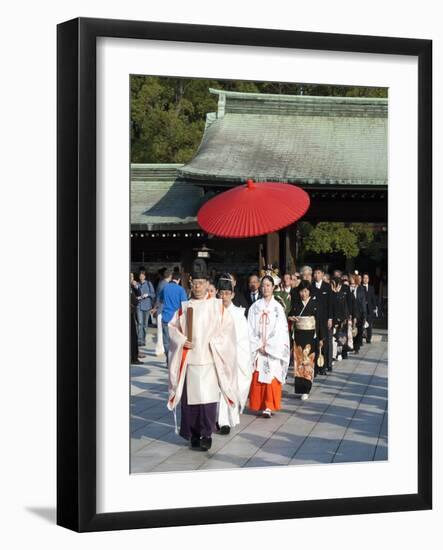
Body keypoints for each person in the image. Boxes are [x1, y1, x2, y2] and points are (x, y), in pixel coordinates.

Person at [167, 266, 238, 451]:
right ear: (190, 283)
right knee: (190, 402)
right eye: (195, 283)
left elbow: (227, 331)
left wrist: (215, 343)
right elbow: (172, 328)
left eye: (201, 283)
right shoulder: (185, 308)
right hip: (190, 360)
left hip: (209, 359)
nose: (198, 287)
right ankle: (193, 434)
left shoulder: (217, 307)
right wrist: (182, 340)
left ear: (208, 284)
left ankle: (206, 434)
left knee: (207, 401)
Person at [247, 275, 290, 418]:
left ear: (273, 287)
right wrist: (258, 344)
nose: (265, 288)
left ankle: (269, 406)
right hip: (258, 348)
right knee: (258, 375)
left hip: (273, 350)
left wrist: (269, 345)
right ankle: (259, 404)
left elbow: (281, 330)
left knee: (272, 376)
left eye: (268, 285)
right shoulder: (255, 307)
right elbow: (250, 328)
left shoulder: (278, 308)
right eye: (263, 285)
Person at [216, 275, 252, 435]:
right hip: (217, 356)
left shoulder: (238, 314)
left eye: (227, 293)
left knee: (231, 389)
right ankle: (221, 420)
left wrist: (239, 357)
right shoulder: (213, 312)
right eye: (221, 293)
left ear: (232, 294)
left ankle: (227, 419)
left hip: (233, 358)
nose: (224, 297)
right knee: (218, 390)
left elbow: (244, 339)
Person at [289, 281, 319, 400]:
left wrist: (321, 337)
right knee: (298, 361)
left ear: (309, 292)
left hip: (310, 335)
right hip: (299, 334)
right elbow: (290, 314)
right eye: (301, 291)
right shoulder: (296, 303)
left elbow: (319, 320)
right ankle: (300, 388)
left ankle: (307, 388)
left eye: (306, 291)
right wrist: (291, 317)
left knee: (308, 361)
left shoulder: (314, 303)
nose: (303, 294)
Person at [158, 271, 188, 366]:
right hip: (176, 319)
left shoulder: (165, 288)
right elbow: (185, 304)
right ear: (178, 280)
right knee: (176, 340)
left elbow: (161, 299)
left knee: (166, 340)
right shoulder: (180, 289)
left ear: (172, 278)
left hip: (166, 316)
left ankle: (168, 359)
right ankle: (175, 360)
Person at [310, 266, 333, 373]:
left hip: (324, 319)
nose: (316, 275)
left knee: (324, 342)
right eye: (315, 273)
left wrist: (330, 318)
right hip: (314, 319)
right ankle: (315, 367)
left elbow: (330, 304)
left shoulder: (327, 287)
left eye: (318, 273)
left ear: (322, 274)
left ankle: (323, 366)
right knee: (315, 342)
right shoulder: (311, 287)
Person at [330, 276, 351, 361]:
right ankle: (333, 354)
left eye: (334, 284)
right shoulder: (330, 294)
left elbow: (345, 307)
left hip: (341, 319)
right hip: (332, 318)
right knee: (333, 338)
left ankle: (339, 353)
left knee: (340, 337)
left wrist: (345, 318)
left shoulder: (342, 295)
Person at [152, 268, 171, 356]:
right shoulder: (166, 285)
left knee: (160, 330)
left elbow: (157, 298)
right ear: (170, 276)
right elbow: (161, 299)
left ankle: (160, 348)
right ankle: (159, 349)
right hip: (162, 309)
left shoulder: (161, 283)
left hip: (160, 308)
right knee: (161, 331)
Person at [135, 271, 156, 347]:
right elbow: (134, 294)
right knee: (140, 323)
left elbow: (153, 295)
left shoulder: (148, 284)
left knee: (145, 325)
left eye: (142, 275)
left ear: (145, 276)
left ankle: (143, 340)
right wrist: (136, 297)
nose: (141, 277)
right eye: (140, 275)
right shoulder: (136, 284)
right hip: (139, 306)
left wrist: (148, 295)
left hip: (147, 306)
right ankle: (139, 340)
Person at [349, 274, 367, 354]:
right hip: (349, 312)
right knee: (350, 330)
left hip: (359, 312)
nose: (351, 280)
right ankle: (350, 346)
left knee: (358, 330)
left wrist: (364, 314)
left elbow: (363, 302)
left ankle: (356, 347)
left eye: (352, 278)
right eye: (350, 279)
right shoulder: (347, 288)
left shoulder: (360, 289)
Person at [362, 273, 378, 343]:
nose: (365, 279)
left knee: (370, 325)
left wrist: (374, 308)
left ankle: (368, 339)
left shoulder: (371, 288)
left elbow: (373, 298)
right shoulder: (360, 287)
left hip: (370, 309)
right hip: (362, 309)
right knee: (362, 324)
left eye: (366, 278)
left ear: (368, 279)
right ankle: (361, 337)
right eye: (364, 278)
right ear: (362, 279)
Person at [130, 272, 142, 364]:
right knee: (133, 336)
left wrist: (136, 287)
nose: (132, 278)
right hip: (130, 312)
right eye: (130, 277)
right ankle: (133, 357)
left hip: (132, 312)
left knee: (133, 336)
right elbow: (135, 300)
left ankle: (134, 356)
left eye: (133, 276)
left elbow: (139, 294)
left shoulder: (132, 286)